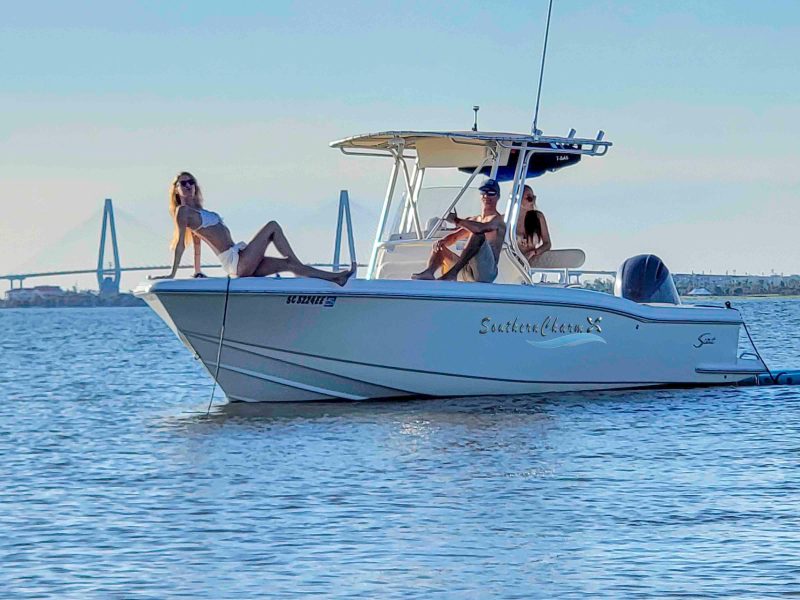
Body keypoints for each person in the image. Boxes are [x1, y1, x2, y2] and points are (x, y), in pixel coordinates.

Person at [151, 171, 355, 285]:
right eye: (183, 183)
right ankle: (300, 264)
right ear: (176, 190)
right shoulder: (183, 212)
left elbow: (197, 246)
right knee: (272, 226)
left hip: (240, 258)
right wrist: (171, 274)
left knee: (288, 265)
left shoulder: (200, 212)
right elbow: (180, 244)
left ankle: (336, 278)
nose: (188, 185)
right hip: (236, 262)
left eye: (191, 182)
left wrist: (198, 272)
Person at [411, 178, 506, 282]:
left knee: (477, 235)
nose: (487, 196)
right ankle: (429, 272)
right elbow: (455, 237)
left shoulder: (498, 220)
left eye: (491, 193)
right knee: (441, 245)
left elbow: (480, 229)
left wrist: (456, 220)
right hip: (468, 271)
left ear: (498, 197)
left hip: (486, 273)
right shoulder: (474, 220)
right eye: (483, 192)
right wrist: (441, 243)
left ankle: (452, 274)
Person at [517, 185, 551, 263]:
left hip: (529, 264)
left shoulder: (538, 217)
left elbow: (547, 243)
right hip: (511, 262)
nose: (533, 201)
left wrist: (534, 252)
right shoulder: (507, 220)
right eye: (529, 198)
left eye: (534, 198)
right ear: (518, 199)